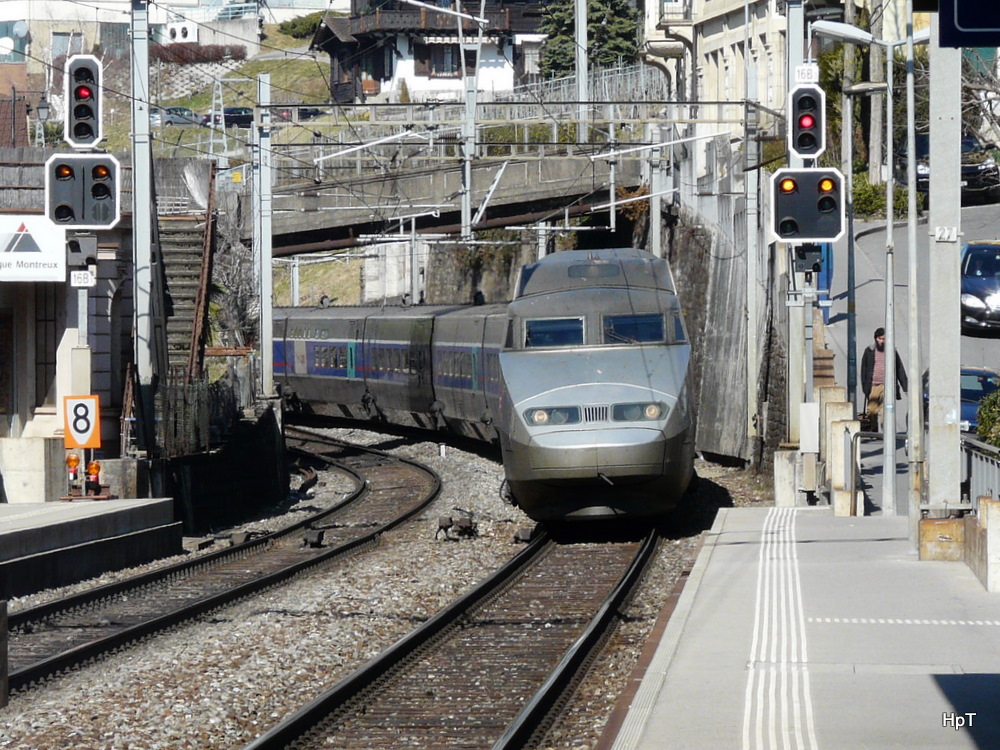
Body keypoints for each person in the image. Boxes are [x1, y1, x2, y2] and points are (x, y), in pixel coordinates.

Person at [860, 327, 908, 432]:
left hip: (887, 386)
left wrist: (905, 387)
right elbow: (864, 369)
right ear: (876, 339)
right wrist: (865, 387)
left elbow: (899, 368)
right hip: (873, 385)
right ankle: (874, 428)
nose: (882, 341)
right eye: (880, 339)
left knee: (886, 410)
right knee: (872, 410)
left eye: (884, 339)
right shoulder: (869, 351)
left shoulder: (892, 351)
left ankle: (886, 431)